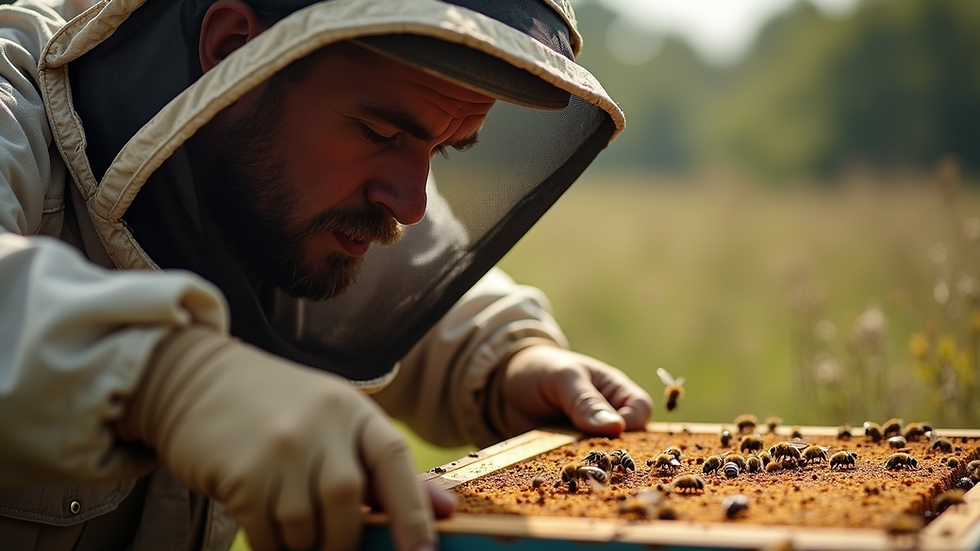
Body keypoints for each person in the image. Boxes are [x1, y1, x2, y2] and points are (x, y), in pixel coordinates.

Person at [0, 1, 653, 550]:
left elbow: (417, 283)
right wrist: (168, 381)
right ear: (233, 51)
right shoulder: (13, 110)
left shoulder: (296, 186)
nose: (410, 202)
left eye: (441, 150)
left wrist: (509, 361)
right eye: (378, 131)